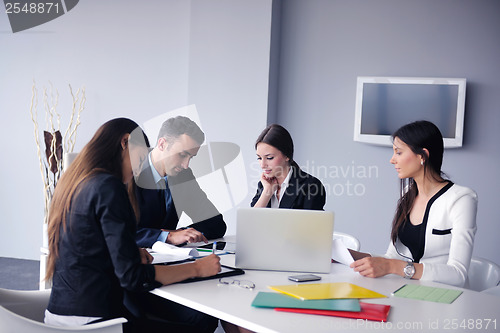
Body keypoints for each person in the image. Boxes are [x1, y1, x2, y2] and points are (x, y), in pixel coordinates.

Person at [44, 118, 221, 333]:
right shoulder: (109, 187)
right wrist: (196, 269)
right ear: (125, 142)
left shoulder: (76, 182)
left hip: (63, 312)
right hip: (97, 322)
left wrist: (130, 252)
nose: (139, 168)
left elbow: (88, 245)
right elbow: (133, 278)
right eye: (141, 157)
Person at [350, 120, 478, 288]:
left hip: (444, 297)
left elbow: (458, 274)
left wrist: (394, 267)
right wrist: (351, 256)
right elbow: (392, 258)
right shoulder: (408, 196)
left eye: (398, 152)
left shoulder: (462, 199)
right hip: (407, 292)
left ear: (422, 156)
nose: (392, 160)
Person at [134, 116, 227, 248]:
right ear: (162, 144)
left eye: (191, 157)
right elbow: (117, 232)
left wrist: (181, 233)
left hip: (170, 259)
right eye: (182, 155)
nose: (186, 165)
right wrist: (168, 237)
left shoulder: (184, 175)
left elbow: (216, 223)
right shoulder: (129, 172)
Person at [251, 124, 326, 210]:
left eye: (269, 158)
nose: (262, 165)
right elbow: (251, 220)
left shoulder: (311, 186)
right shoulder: (264, 185)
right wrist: (267, 192)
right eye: (259, 158)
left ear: (287, 156)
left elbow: (311, 223)